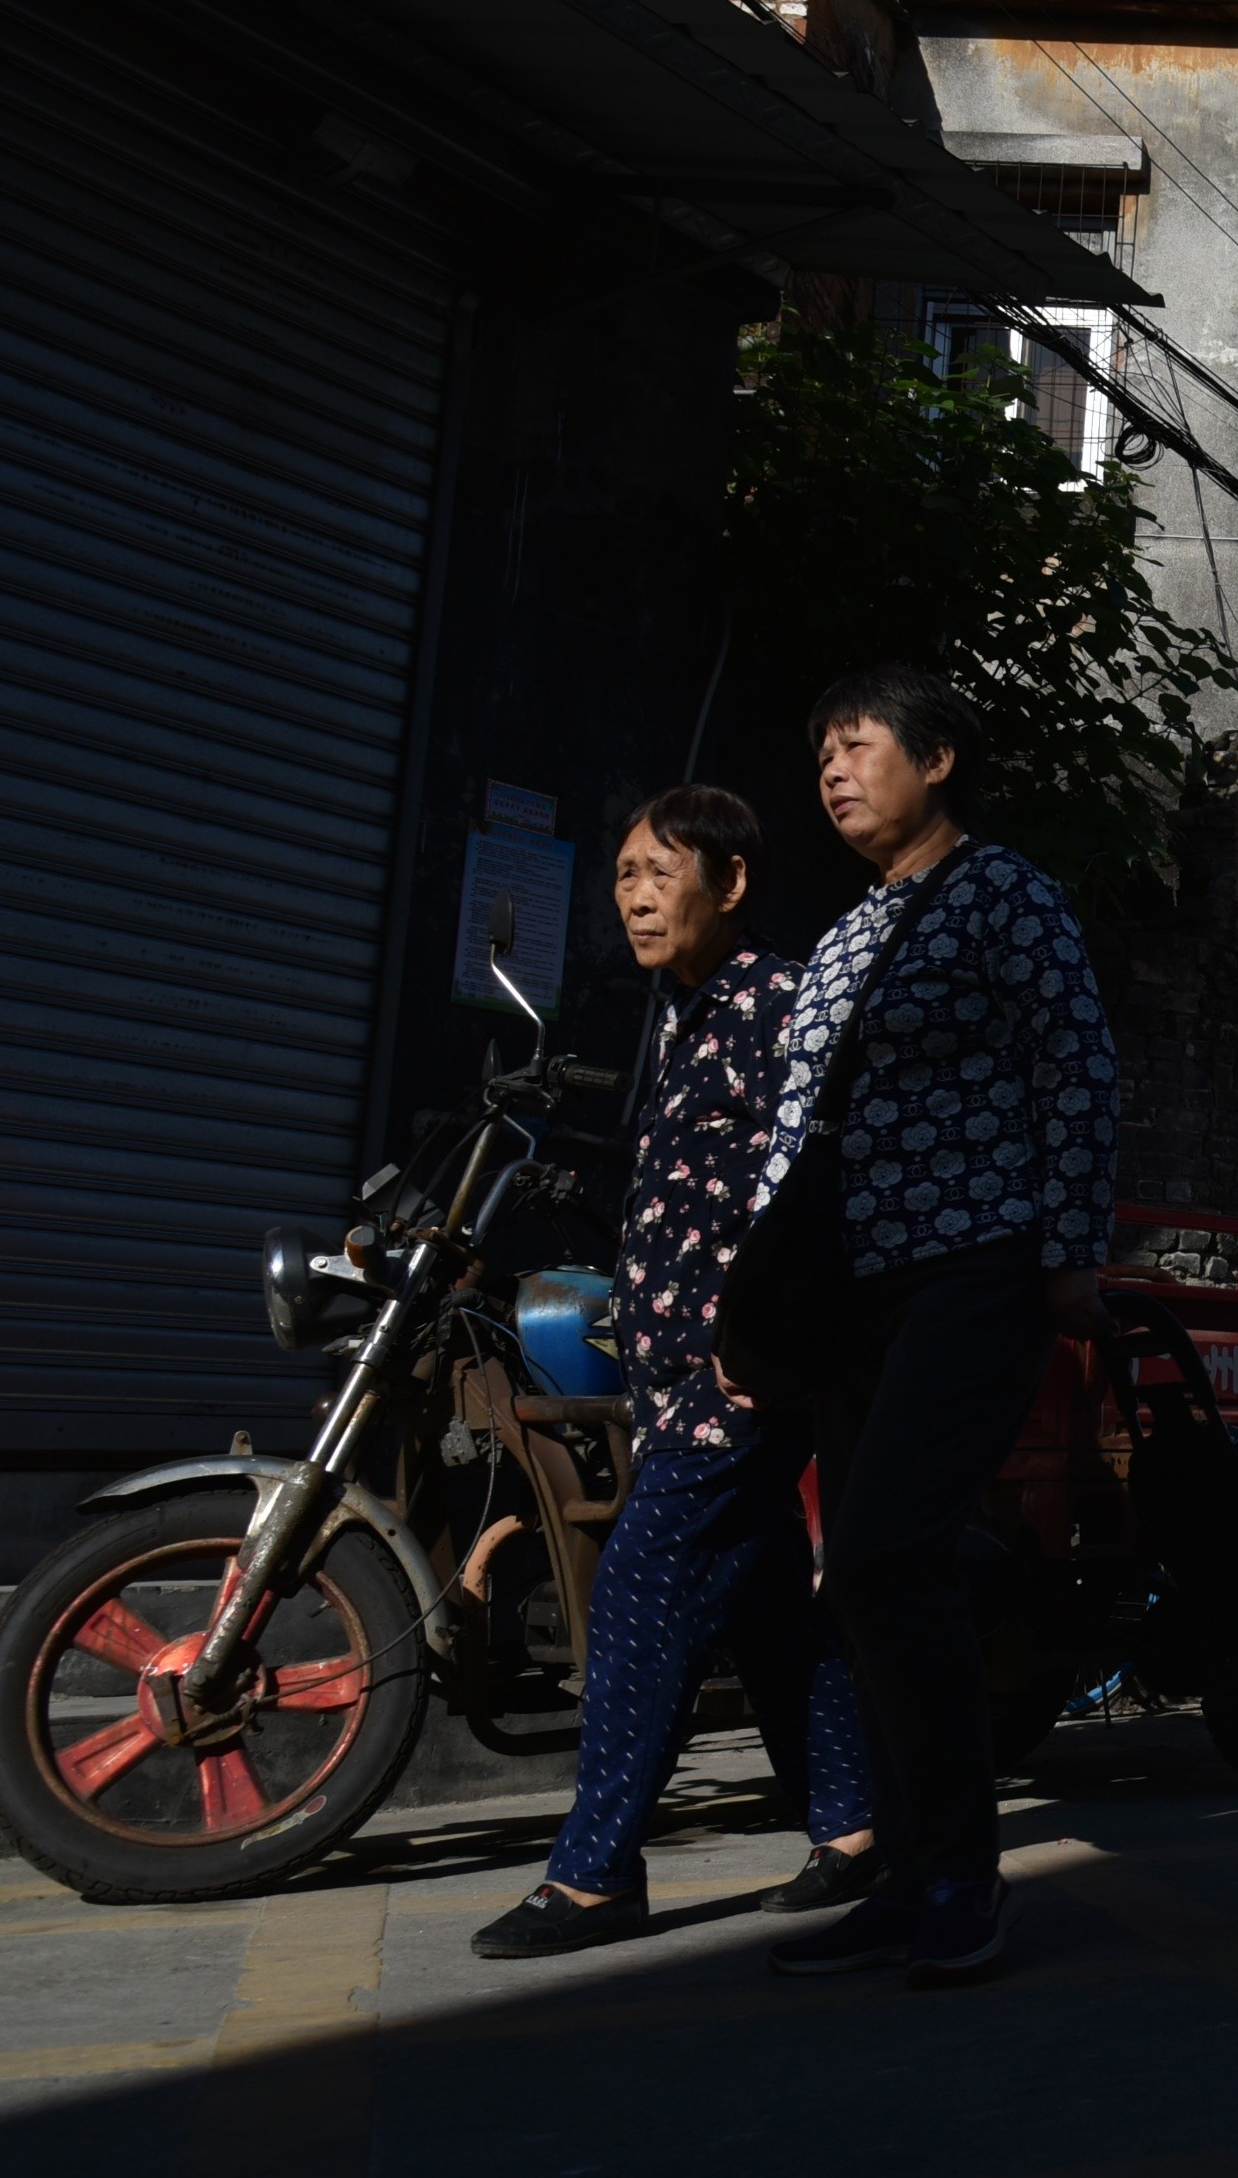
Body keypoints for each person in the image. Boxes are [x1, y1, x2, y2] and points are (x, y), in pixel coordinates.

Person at [751, 666, 1115, 1991]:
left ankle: (959, 1872)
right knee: (860, 1572)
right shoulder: (844, 935)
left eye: (858, 746)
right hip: (852, 1293)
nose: (835, 772)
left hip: (975, 1271)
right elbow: (794, 1130)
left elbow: (1077, 1064)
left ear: (937, 758)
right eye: (823, 756)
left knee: (885, 1554)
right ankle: (907, 1874)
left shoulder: (1007, 896)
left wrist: (1070, 1251)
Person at [473, 786, 881, 1960]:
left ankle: (596, 1872)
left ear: (731, 881)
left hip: (736, 1379)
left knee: (643, 1594)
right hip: (678, 1377)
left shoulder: (779, 1003)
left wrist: (773, 1343)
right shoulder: (678, 1011)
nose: (636, 896)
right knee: (764, 1614)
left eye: (659, 871)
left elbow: (819, 1184)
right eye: (622, 877)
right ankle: (853, 1828)